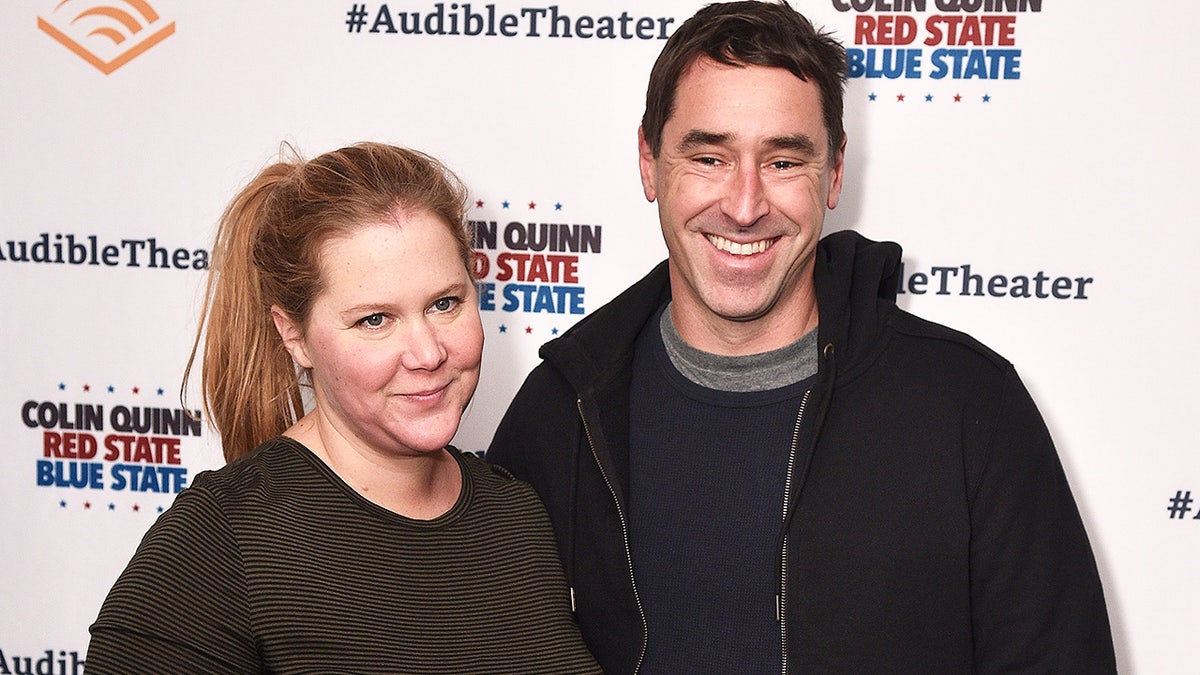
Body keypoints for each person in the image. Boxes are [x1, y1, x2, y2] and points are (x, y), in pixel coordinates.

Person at [486, 2, 1117, 673]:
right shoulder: (562, 411)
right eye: (708, 156)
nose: (745, 202)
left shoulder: (968, 405)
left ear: (835, 171)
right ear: (649, 160)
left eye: (784, 160)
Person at [87, 142, 600, 673]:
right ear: (295, 336)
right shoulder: (221, 544)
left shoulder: (518, 516)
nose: (428, 354)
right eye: (375, 320)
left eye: (444, 304)